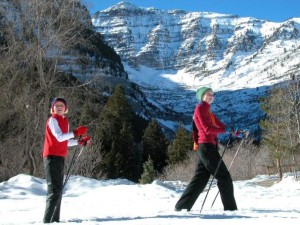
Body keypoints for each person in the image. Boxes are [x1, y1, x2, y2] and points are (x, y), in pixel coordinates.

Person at [175, 87, 237, 212]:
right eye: (208, 94)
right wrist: (224, 130)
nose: (211, 96)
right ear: (202, 96)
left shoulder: (209, 111)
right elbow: (207, 129)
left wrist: (234, 131)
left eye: (212, 94)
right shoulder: (200, 108)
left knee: (200, 180)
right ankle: (231, 210)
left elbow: (220, 125)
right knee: (224, 177)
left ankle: (181, 206)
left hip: (208, 147)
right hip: (206, 147)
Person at [42, 97, 91, 223]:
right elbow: (59, 137)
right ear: (52, 108)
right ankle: (47, 221)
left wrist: (79, 141)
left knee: (58, 190)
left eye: (61, 105)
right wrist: (76, 132)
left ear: (65, 108)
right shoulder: (53, 120)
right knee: (54, 191)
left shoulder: (65, 121)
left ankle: (55, 220)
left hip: (60, 157)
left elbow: (65, 141)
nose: (59, 107)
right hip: (51, 157)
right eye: (56, 105)